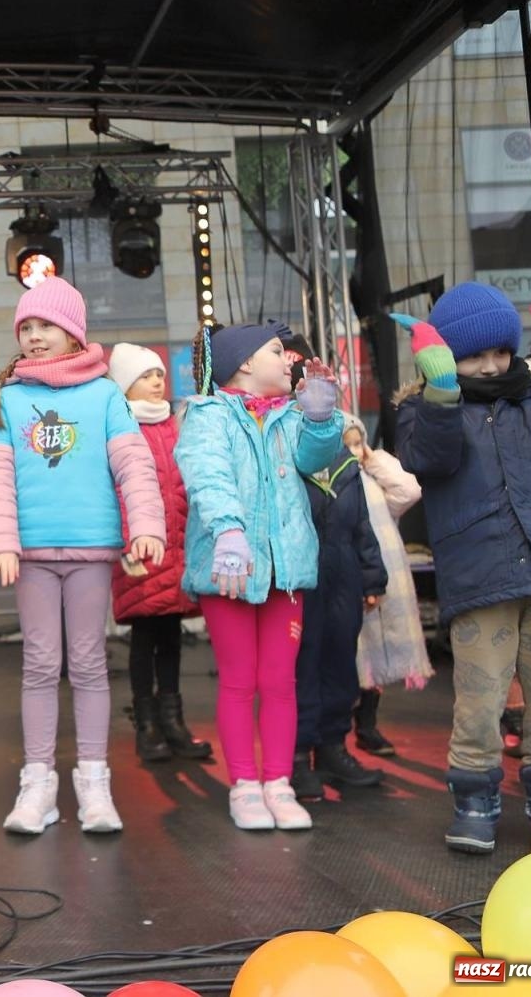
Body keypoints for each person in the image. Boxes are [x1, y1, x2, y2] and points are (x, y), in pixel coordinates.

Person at [392, 280, 531, 852]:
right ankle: (475, 800)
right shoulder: (424, 410)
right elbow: (430, 459)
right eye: (473, 355)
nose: (491, 366)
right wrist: (443, 388)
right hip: (482, 577)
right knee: (480, 699)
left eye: (500, 352)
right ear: (441, 356)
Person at [0, 278, 165, 836]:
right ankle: (38, 784)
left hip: (89, 549)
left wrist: (147, 526)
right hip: (32, 553)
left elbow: (135, 466)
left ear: (73, 332)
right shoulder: (9, 399)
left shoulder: (106, 395)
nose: (35, 337)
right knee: (39, 666)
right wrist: (2, 541)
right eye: (27, 328)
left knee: (87, 665)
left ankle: (94, 782)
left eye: (46, 326)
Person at [175, 321, 344, 832]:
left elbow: (316, 458)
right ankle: (245, 784)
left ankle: (278, 782)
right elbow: (206, 470)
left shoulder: (288, 417)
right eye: (277, 351)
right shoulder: (208, 415)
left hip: (284, 569)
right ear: (244, 363)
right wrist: (228, 531)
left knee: (279, 682)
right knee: (239, 680)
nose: (288, 359)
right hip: (231, 566)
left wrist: (319, 414)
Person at [106, 343, 210, 763]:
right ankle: (146, 723)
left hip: (176, 545)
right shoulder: (119, 427)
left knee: (171, 637)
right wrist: (128, 542)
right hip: (139, 549)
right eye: (146, 376)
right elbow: (114, 491)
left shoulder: (175, 424)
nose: (156, 383)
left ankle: (174, 721)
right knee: (144, 636)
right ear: (125, 385)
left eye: (159, 376)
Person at [292, 412, 388, 802]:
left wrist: (372, 577)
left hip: (344, 579)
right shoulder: (292, 463)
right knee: (302, 667)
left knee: (340, 663)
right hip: (301, 578)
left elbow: (364, 528)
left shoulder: (348, 467)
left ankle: (332, 748)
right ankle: (296, 756)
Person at [342, 417, 432, 758]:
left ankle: (367, 725)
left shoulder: (373, 478)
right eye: (346, 444)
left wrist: (372, 458)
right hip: (349, 575)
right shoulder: (332, 481)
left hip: (383, 574)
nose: (352, 452)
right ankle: (338, 729)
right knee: (353, 651)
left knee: (377, 651)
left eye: (356, 444)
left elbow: (409, 490)